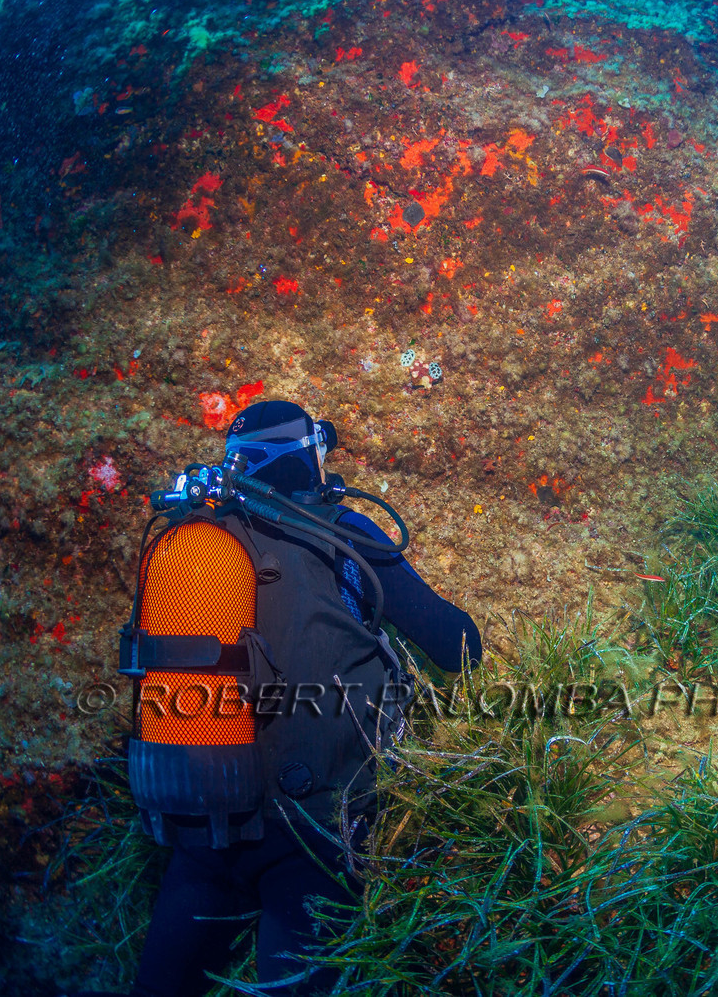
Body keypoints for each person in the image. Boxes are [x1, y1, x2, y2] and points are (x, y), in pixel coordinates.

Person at [127, 400, 481, 997]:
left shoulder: (190, 541)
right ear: (306, 455)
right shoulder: (337, 529)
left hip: (201, 829)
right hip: (312, 833)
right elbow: (459, 647)